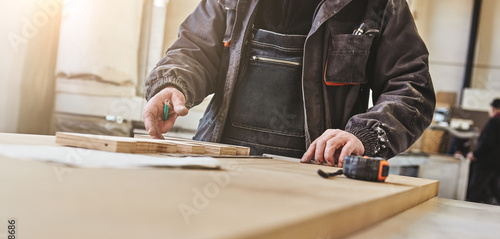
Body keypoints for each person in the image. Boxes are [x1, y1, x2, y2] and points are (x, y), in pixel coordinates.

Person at [143, 0, 435, 167]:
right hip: (216, 166)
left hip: (316, 175)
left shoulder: (377, 5)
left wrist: (364, 135)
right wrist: (173, 84)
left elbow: (411, 86)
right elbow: (193, 51)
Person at [466, 99, 500, 204]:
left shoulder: (494, 121)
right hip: (495, 163)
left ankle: (469, 212)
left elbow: (488, 142)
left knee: (475, 189)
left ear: (493, 109)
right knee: (494, 188)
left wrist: (474, 153)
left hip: (486, 162)